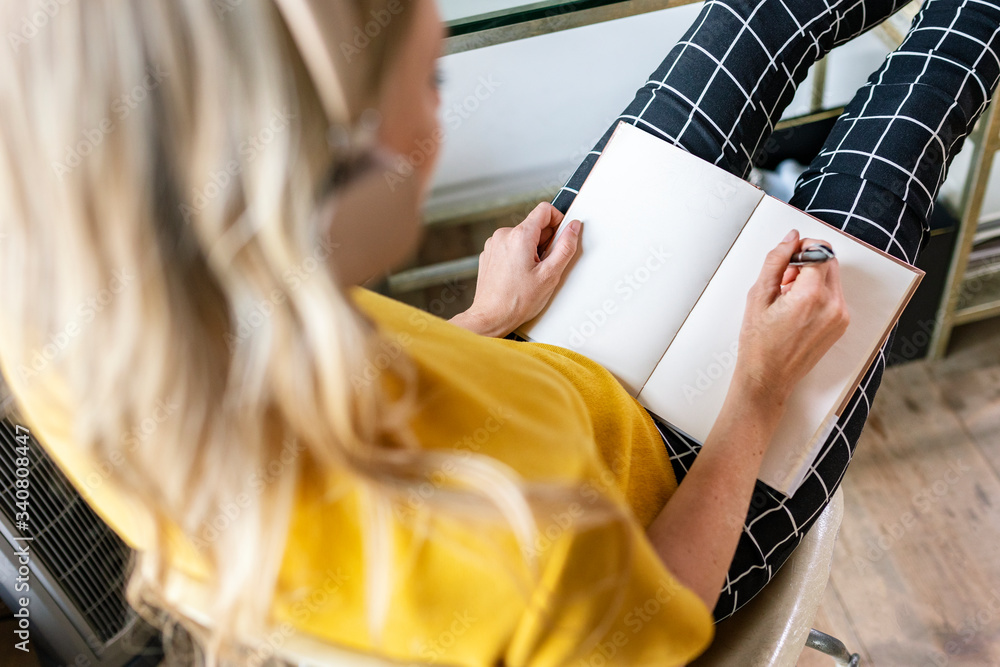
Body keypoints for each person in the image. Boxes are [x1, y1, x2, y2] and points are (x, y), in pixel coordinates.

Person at [0, 0, 996, 665]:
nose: (440, 117)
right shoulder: (508, 565)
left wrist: (483, 324)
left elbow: (367, 386)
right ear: (325, 171)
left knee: (759, 16)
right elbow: (672, 608)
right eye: (428, 83)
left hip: (546, 374)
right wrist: (755, 391)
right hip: (685, 510)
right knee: (927, 91)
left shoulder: (93, 319)